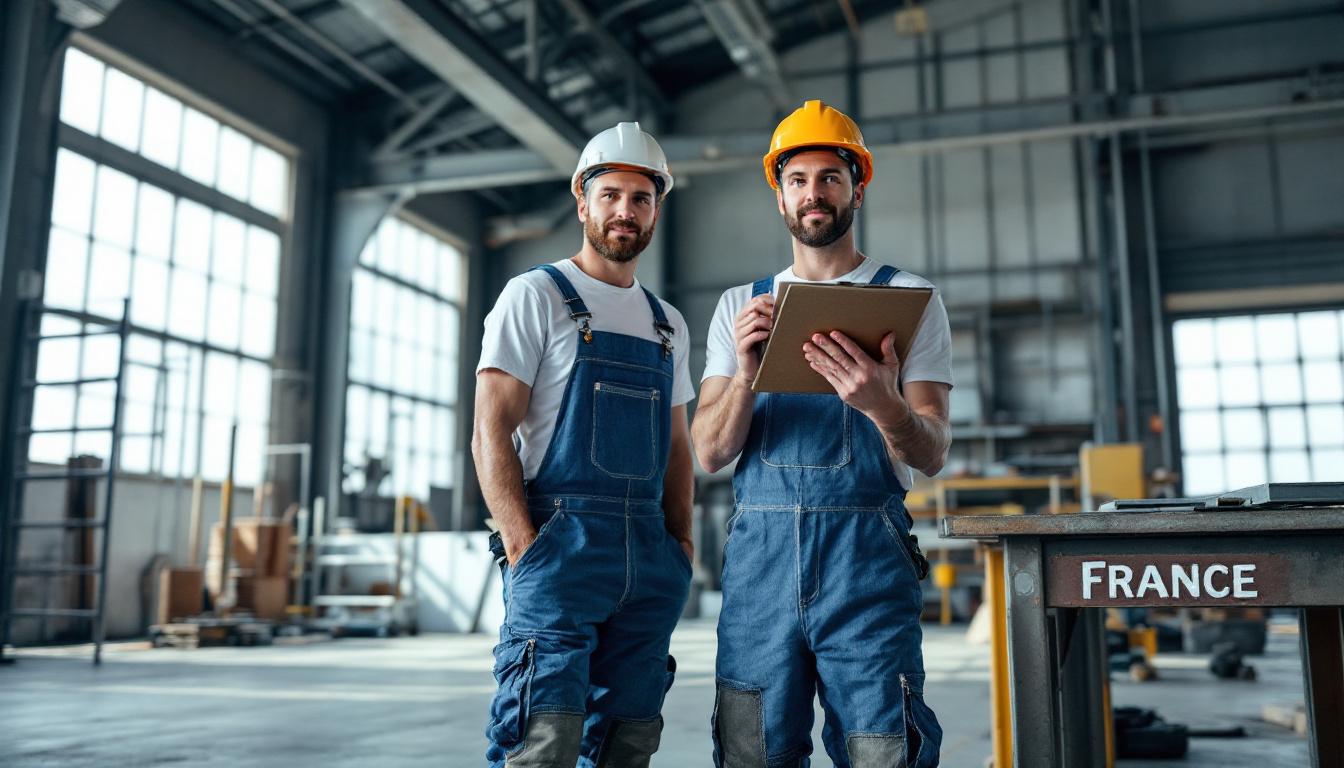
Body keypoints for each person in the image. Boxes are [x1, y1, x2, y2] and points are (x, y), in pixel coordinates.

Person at [691, 100, 952, 768]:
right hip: (759, 566)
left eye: (831, 177)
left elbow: (932, 451)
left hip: (865, 559)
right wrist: (748, 374)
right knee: (753, 750)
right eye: (799, 179)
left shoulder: (909, 299)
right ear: (779, 195)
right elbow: (711, 453)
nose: (815, 192)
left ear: (857, 187)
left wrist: (884, 405)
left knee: (882, 747)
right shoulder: (739, 306)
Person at [473, 122, 695, 767]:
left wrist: (680, 546)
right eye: (611, 195)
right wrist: (522, 548)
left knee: (628, 741)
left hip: (650, 558)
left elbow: (677, 447)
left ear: (656, 208)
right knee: (542, 740)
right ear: (582, 201)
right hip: (558, 552)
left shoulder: (667, 323)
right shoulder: (535, 295)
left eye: (641, 197)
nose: (626, 210)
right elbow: (490, 429)